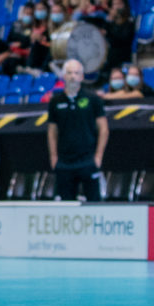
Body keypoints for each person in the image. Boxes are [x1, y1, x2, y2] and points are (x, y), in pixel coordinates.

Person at [46, 59, 108, 202]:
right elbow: (52, 131)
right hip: (64, 162)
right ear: (63, 76)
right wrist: (54, 157)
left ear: (82, 76)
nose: (73, 76)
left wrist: (98, 157)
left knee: (94, 203)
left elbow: (104, 129)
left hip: (88, 160)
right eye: (69, 73)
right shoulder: (56, 101)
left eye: (76, 73)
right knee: (66, 205)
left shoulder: (93, 99)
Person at [101, 0, 135, 73]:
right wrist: (108, 21)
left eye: (119, 4)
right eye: (114, 4)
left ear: (125, 5)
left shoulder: (129, 21)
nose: (116, 7)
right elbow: (104, 32)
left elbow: (122, 40)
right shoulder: (111, 22)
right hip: (110, 58)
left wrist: (108, 31)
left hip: (122, 57)